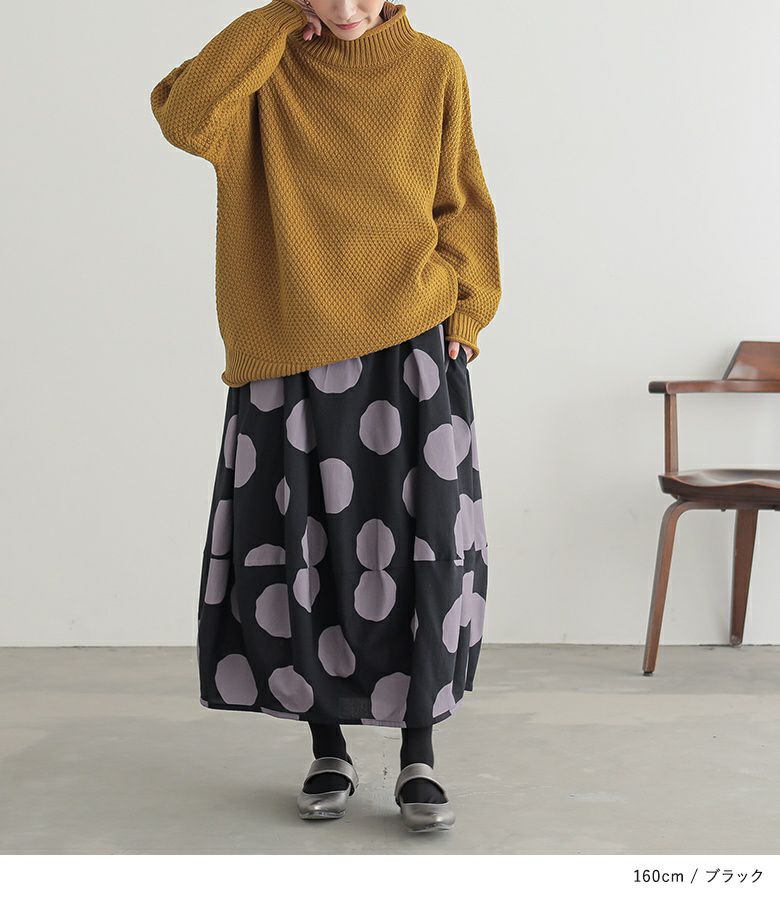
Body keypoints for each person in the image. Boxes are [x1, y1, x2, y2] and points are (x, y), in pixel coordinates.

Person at [150, 0, 501, 833]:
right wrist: (275, 20)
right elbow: (186, 117)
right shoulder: (265, 66)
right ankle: (327, 746)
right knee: (299, 549)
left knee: (418, 549)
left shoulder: (434, 66)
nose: (346, 8)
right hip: (286, 345)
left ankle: (418, 754)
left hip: (412, 341)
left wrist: (467, 310)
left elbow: (460, 200)